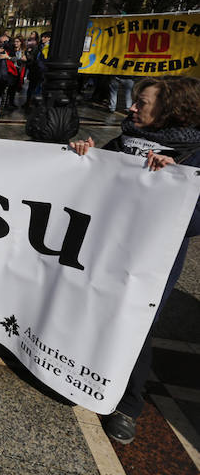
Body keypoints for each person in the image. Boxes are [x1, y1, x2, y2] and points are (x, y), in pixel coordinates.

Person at [69, 76, 200, 445]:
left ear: (171, 109)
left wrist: (171, 181)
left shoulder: (194, 155)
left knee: (136, 326)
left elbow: (194, 220)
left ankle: (128, 405)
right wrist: (84, 154)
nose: (131, 107)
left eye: (141, 102)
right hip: (104, 245)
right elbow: (95, 175)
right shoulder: (125, 141)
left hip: (148, 262)